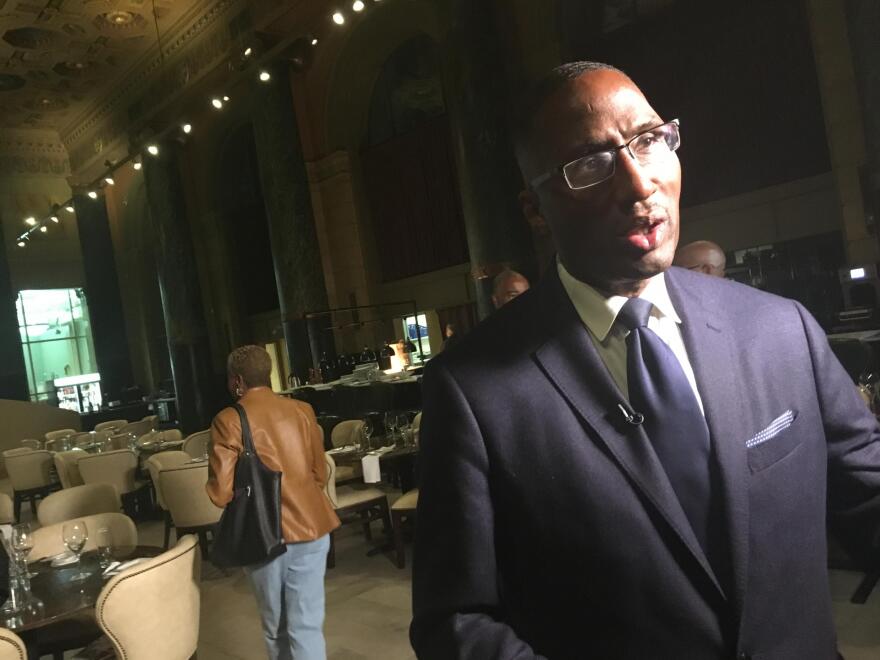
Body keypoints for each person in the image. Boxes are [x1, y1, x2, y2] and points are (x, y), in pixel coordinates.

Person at [410, 61, 880, 660]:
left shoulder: (780, 328)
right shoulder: (474, 390)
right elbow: (455, 622)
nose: (638, 184)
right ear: (535, 209)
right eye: (590, 165)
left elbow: (868, 496)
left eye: (650, 140)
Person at [207, 345, 340, 660]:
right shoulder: (302, 410)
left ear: (236, 380)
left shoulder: (228, 420)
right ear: (268, 374)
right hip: (313, 525)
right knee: (307, 625)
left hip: (265, 534)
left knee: (275, 628)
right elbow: (319, 473)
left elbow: (221, 493)